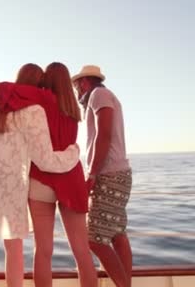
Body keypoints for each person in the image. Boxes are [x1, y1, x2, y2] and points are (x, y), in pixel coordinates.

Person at [0, 63, 81, 287]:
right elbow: (45, 160)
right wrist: (73, 153)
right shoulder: (34, 110)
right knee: (13, 246)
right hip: (9, 180)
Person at [0, 62, 97, 287]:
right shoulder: (74, 109)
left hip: (41, 178)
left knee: (43, 251)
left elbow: (3, 88)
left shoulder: (43, 99)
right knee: (81, 251)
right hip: (70, 176)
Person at [71, 65, 133, 287]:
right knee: (117, 235)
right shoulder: (105, 95)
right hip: (119, 173)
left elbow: (103, 135)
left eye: (77, 86)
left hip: (108, 174)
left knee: (93, 239)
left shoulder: (99, 94)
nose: (77, 91)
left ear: (85, 82)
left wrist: (92, 174)